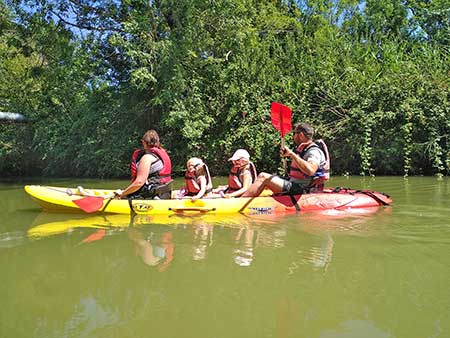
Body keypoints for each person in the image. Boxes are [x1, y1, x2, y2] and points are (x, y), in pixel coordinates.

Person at [242, 123, 329, 197]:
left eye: (294, 134)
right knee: (267, 178)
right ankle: (247, 195)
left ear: (301, 135)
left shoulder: (314, 151)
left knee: (263, 176)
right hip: (293, 183)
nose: (293, 137)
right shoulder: (303, 149)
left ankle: (241, 201)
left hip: (303, 189)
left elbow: (311, 171)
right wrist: (288, 155)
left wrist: (291, 154)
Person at [115, 129, 172, 199]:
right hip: (164, 193)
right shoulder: (162, 154)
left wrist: (123, 193)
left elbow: (139, 182)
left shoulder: (147, 158)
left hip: (152, 195)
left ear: (144, 142)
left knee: (122, 196)